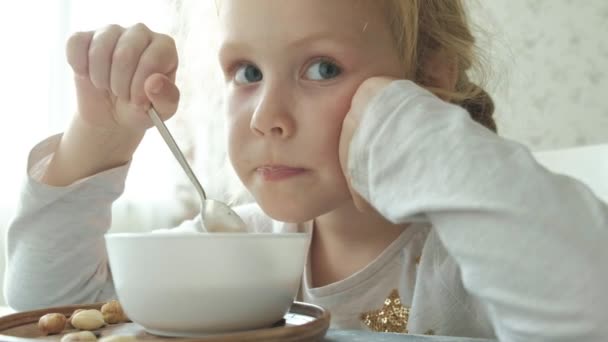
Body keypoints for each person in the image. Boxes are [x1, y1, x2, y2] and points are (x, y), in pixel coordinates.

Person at [5, 0, 608, 340]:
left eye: (321, 69)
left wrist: (409, 127)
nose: (267, 116)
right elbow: (51, 319)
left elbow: (588, 306)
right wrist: (97, 143)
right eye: (247, 72)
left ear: (429, 81)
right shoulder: (234, 249)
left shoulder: (469, 264)